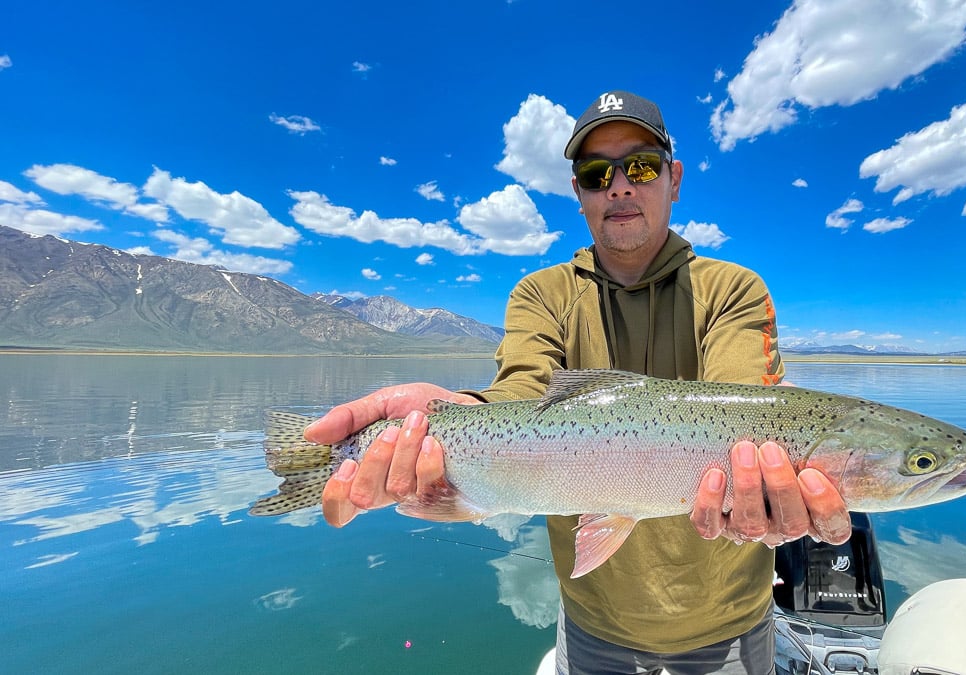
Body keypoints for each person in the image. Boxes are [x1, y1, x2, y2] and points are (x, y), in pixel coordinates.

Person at [307, 89, 851, 675]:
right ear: (579, 193)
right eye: (597, 173)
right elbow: (518, 394)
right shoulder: (542, 294)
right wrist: (451, 415)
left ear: (675, 179)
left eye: (640, 166)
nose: (619, 185)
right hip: (593, 623)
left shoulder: (732, 289)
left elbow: (749, 413)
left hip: (727, 623)